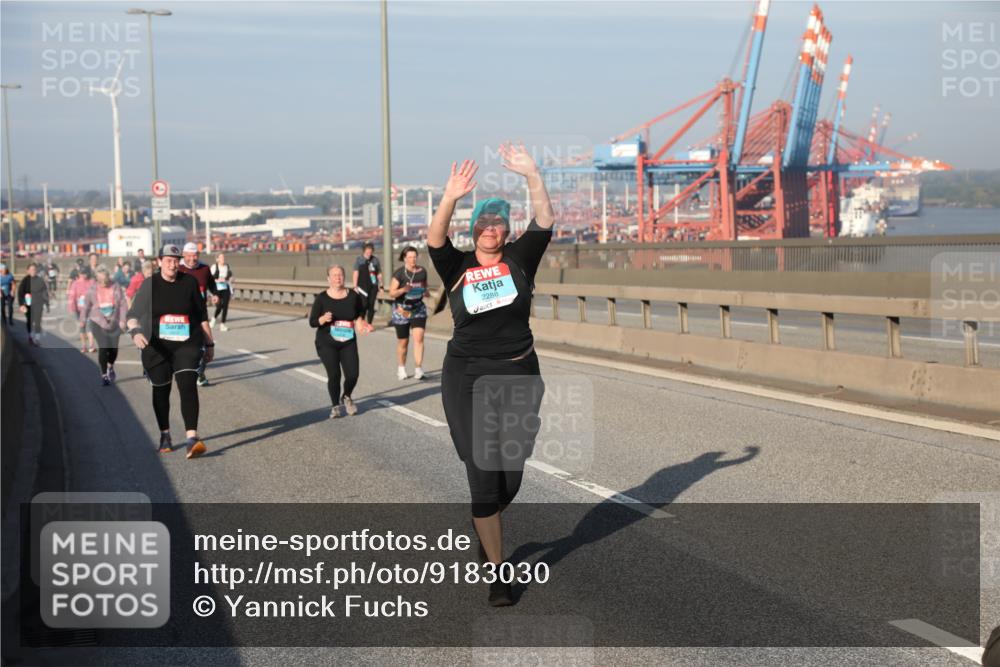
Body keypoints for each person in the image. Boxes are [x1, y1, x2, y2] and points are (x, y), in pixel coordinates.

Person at [427, 144, 554, 606]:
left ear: (505, 230)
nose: (490, 231)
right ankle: (499, 573)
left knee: (510, 479)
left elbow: (544, 221)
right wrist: (450, 198)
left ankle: (488, 524)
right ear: (474, 230)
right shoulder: (457, 267)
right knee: (482, 474)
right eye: (482, 224)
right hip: (466, 377)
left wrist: (532, 174)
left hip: (519, 374)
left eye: (498, 223)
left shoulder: (520, 259)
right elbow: (435, 240)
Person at [125, 244, 214, 458]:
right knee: (161, 390)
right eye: (168, 260)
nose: (172, 264)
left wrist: (209, 343)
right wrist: (135, 332)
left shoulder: (189, 283)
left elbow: (202, 315)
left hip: (186, 343)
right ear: (159, 262)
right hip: (157, 346)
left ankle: (192, 438)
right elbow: (132, 315)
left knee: (187, 385)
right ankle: (165, 434)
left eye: (176, 260)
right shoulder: (150, 285)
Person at [309, 265, 375, 418]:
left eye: (340, 275)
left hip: (348, 340)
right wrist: (322, 319)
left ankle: (346, 396)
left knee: (353, 374)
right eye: (334, 275)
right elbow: (312, 321)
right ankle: (334, 406)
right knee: (335, 375)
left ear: (344, 277)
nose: (337, 277)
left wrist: (361, 324)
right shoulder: (322, 298)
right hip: (326, 341)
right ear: (328, 279)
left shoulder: (353, 296)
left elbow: (359, 314)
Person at [177, 242, 220, 386]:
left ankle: (200, 373)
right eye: (189, 256)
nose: (192, 259)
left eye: (195, 255)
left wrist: (215, 294)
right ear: (183, 255)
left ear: (198, 255)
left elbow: (212, 284)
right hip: (181, 314)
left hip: (200, 312)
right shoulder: (178, 268)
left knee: (204, 347)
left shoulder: (204, 269)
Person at [80, 265, 128, 385]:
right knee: (103, 347)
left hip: (114, 322)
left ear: (108, 278)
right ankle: (104, 375)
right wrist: (82, 320)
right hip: (97, 322)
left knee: (113, 350)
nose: (103, 283)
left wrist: (123, 320)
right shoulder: (92, 290)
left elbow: (123, 304)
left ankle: (110, 366)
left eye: (105, 280)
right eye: (100, 281)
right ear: (96, 279)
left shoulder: (115, 287)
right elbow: (86, 306)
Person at [388, 246, 429, 380]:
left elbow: (424, 286)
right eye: (410, 257)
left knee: (419, 338)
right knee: (403, 342)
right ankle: (401, 368)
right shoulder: (399, 274)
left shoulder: (422, 272)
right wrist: (403, 290)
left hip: (418, 309)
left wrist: (425, 292)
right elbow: (391, 293)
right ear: (404, 258)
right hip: (401, 310)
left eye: (414, 257)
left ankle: (418, 368)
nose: (413, 260)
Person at [17, 263, 50, 346]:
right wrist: (21, 304)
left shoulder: (40, 280)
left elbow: (45, 292)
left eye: (34, 270)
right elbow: (20, 293)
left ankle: (37, 338)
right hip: (28, 304)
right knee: (30, 321)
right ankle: (31, 337)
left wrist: (47, 304)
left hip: (38, 303)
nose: (33, 271)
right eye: (31, 270)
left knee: (38, 321)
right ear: (27, 271)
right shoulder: (25, 280)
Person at [351, 243, 381, 325]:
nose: (369, 254)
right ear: (364, 251)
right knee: (363, 304)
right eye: (367, 252)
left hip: (373, 286)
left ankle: (369, 324)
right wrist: (355, 286)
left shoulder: (375, 260)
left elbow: (378, 273)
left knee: (371, 305)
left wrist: (380, 285)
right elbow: (355, 273)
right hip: (362, 286)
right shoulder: (359, 260)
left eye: (370, 252)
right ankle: (362, 321)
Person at [68, 267, 97, 352]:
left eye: (85, 273)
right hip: (79, 309)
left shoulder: (92, 282)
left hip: (90, 309)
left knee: (90, 326)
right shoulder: (75, 283)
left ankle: (91, 345)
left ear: (88, 273)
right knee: (82, 327)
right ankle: (84, 345)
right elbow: (72, 296)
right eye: (81, 273)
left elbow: (96, 294)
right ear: (79, 274)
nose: (83, 275)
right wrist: (72, 307)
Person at [209, 253, 234, 332]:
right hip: (216, 288)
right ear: (217, 259)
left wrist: (229, 279)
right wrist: (217, 280)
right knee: (219, 306)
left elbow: (230, 277)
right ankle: (213, 319)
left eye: (224, 257)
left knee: (225, 306)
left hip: (225, 287)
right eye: (221, 257)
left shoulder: (227, 266)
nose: (223, 259)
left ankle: (222, 324)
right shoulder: (214, 267)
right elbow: (210, 278)